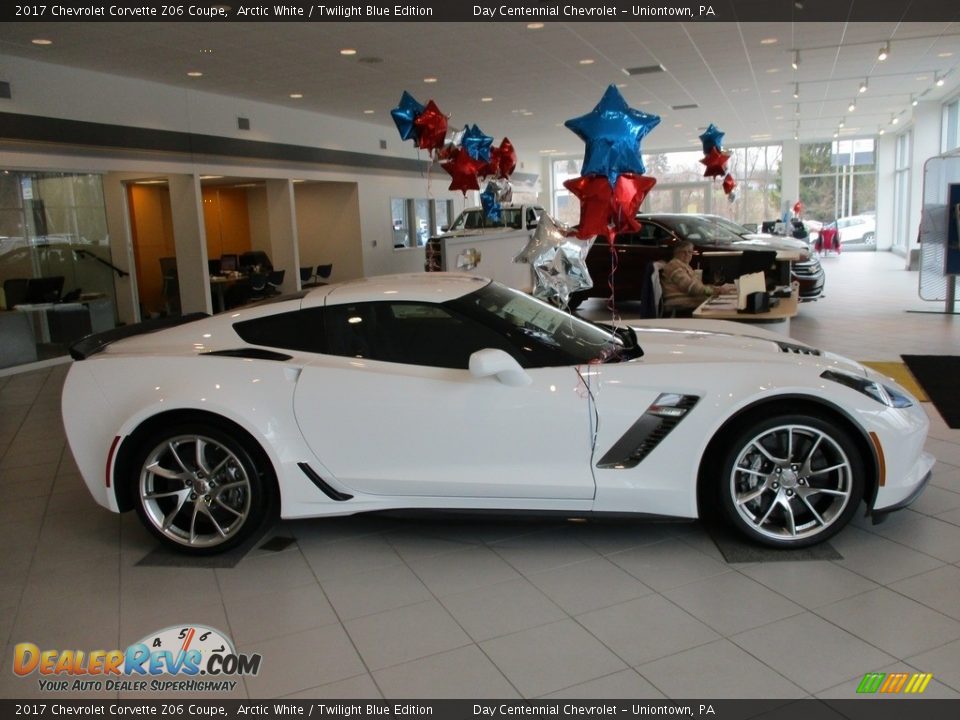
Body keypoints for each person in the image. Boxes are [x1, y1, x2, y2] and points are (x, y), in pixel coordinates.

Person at [661, 241, 736, 315]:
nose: (687, 254)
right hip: (680, 306)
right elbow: (692, 288)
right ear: (676, 253)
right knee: (723, 311)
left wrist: (717, 289)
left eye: (690, 252)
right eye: (683, 252)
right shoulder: (674, 265)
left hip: (689, 303)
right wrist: (715, 290)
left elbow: (700, 287)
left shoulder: (686, 266)